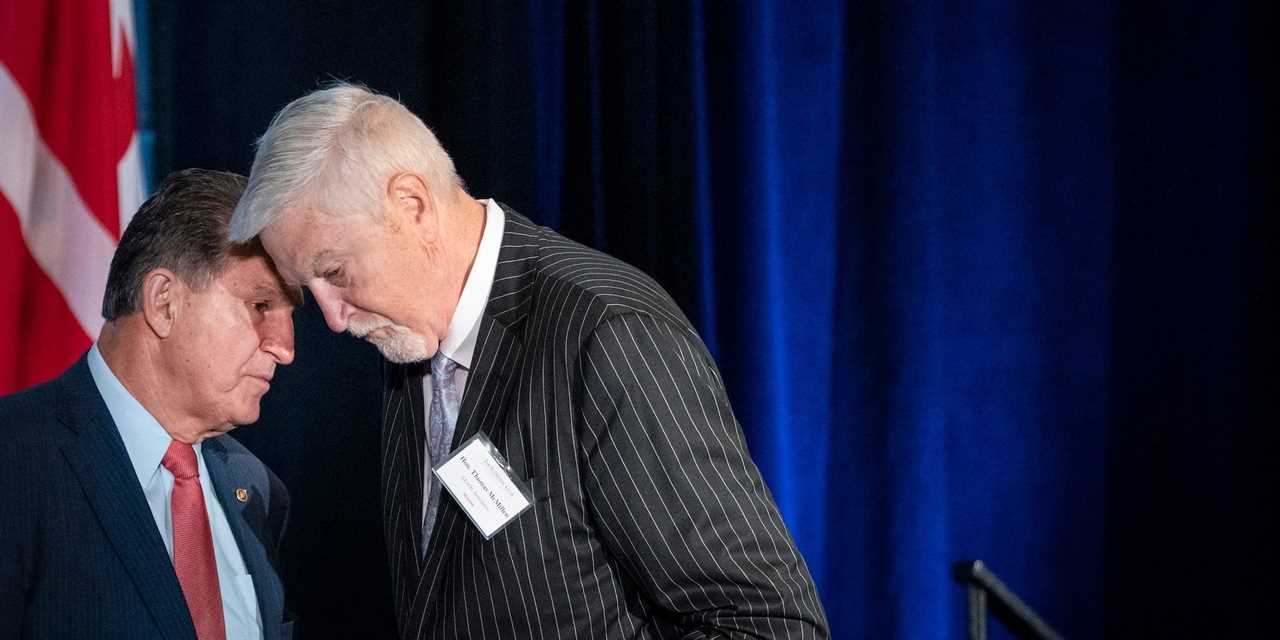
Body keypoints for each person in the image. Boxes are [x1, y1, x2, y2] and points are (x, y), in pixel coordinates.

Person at [229, 83, 829, 639]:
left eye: (335, 272)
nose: (333, 319)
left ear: (411, 204)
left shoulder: (610, 335)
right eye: (312, 289)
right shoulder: (406, 339)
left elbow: (769, 623)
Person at [0, 169, 299, 639]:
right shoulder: (15, 460)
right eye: (261, 305)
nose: (285, 347)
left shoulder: (257, 490)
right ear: (164, 303)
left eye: (289, 315)